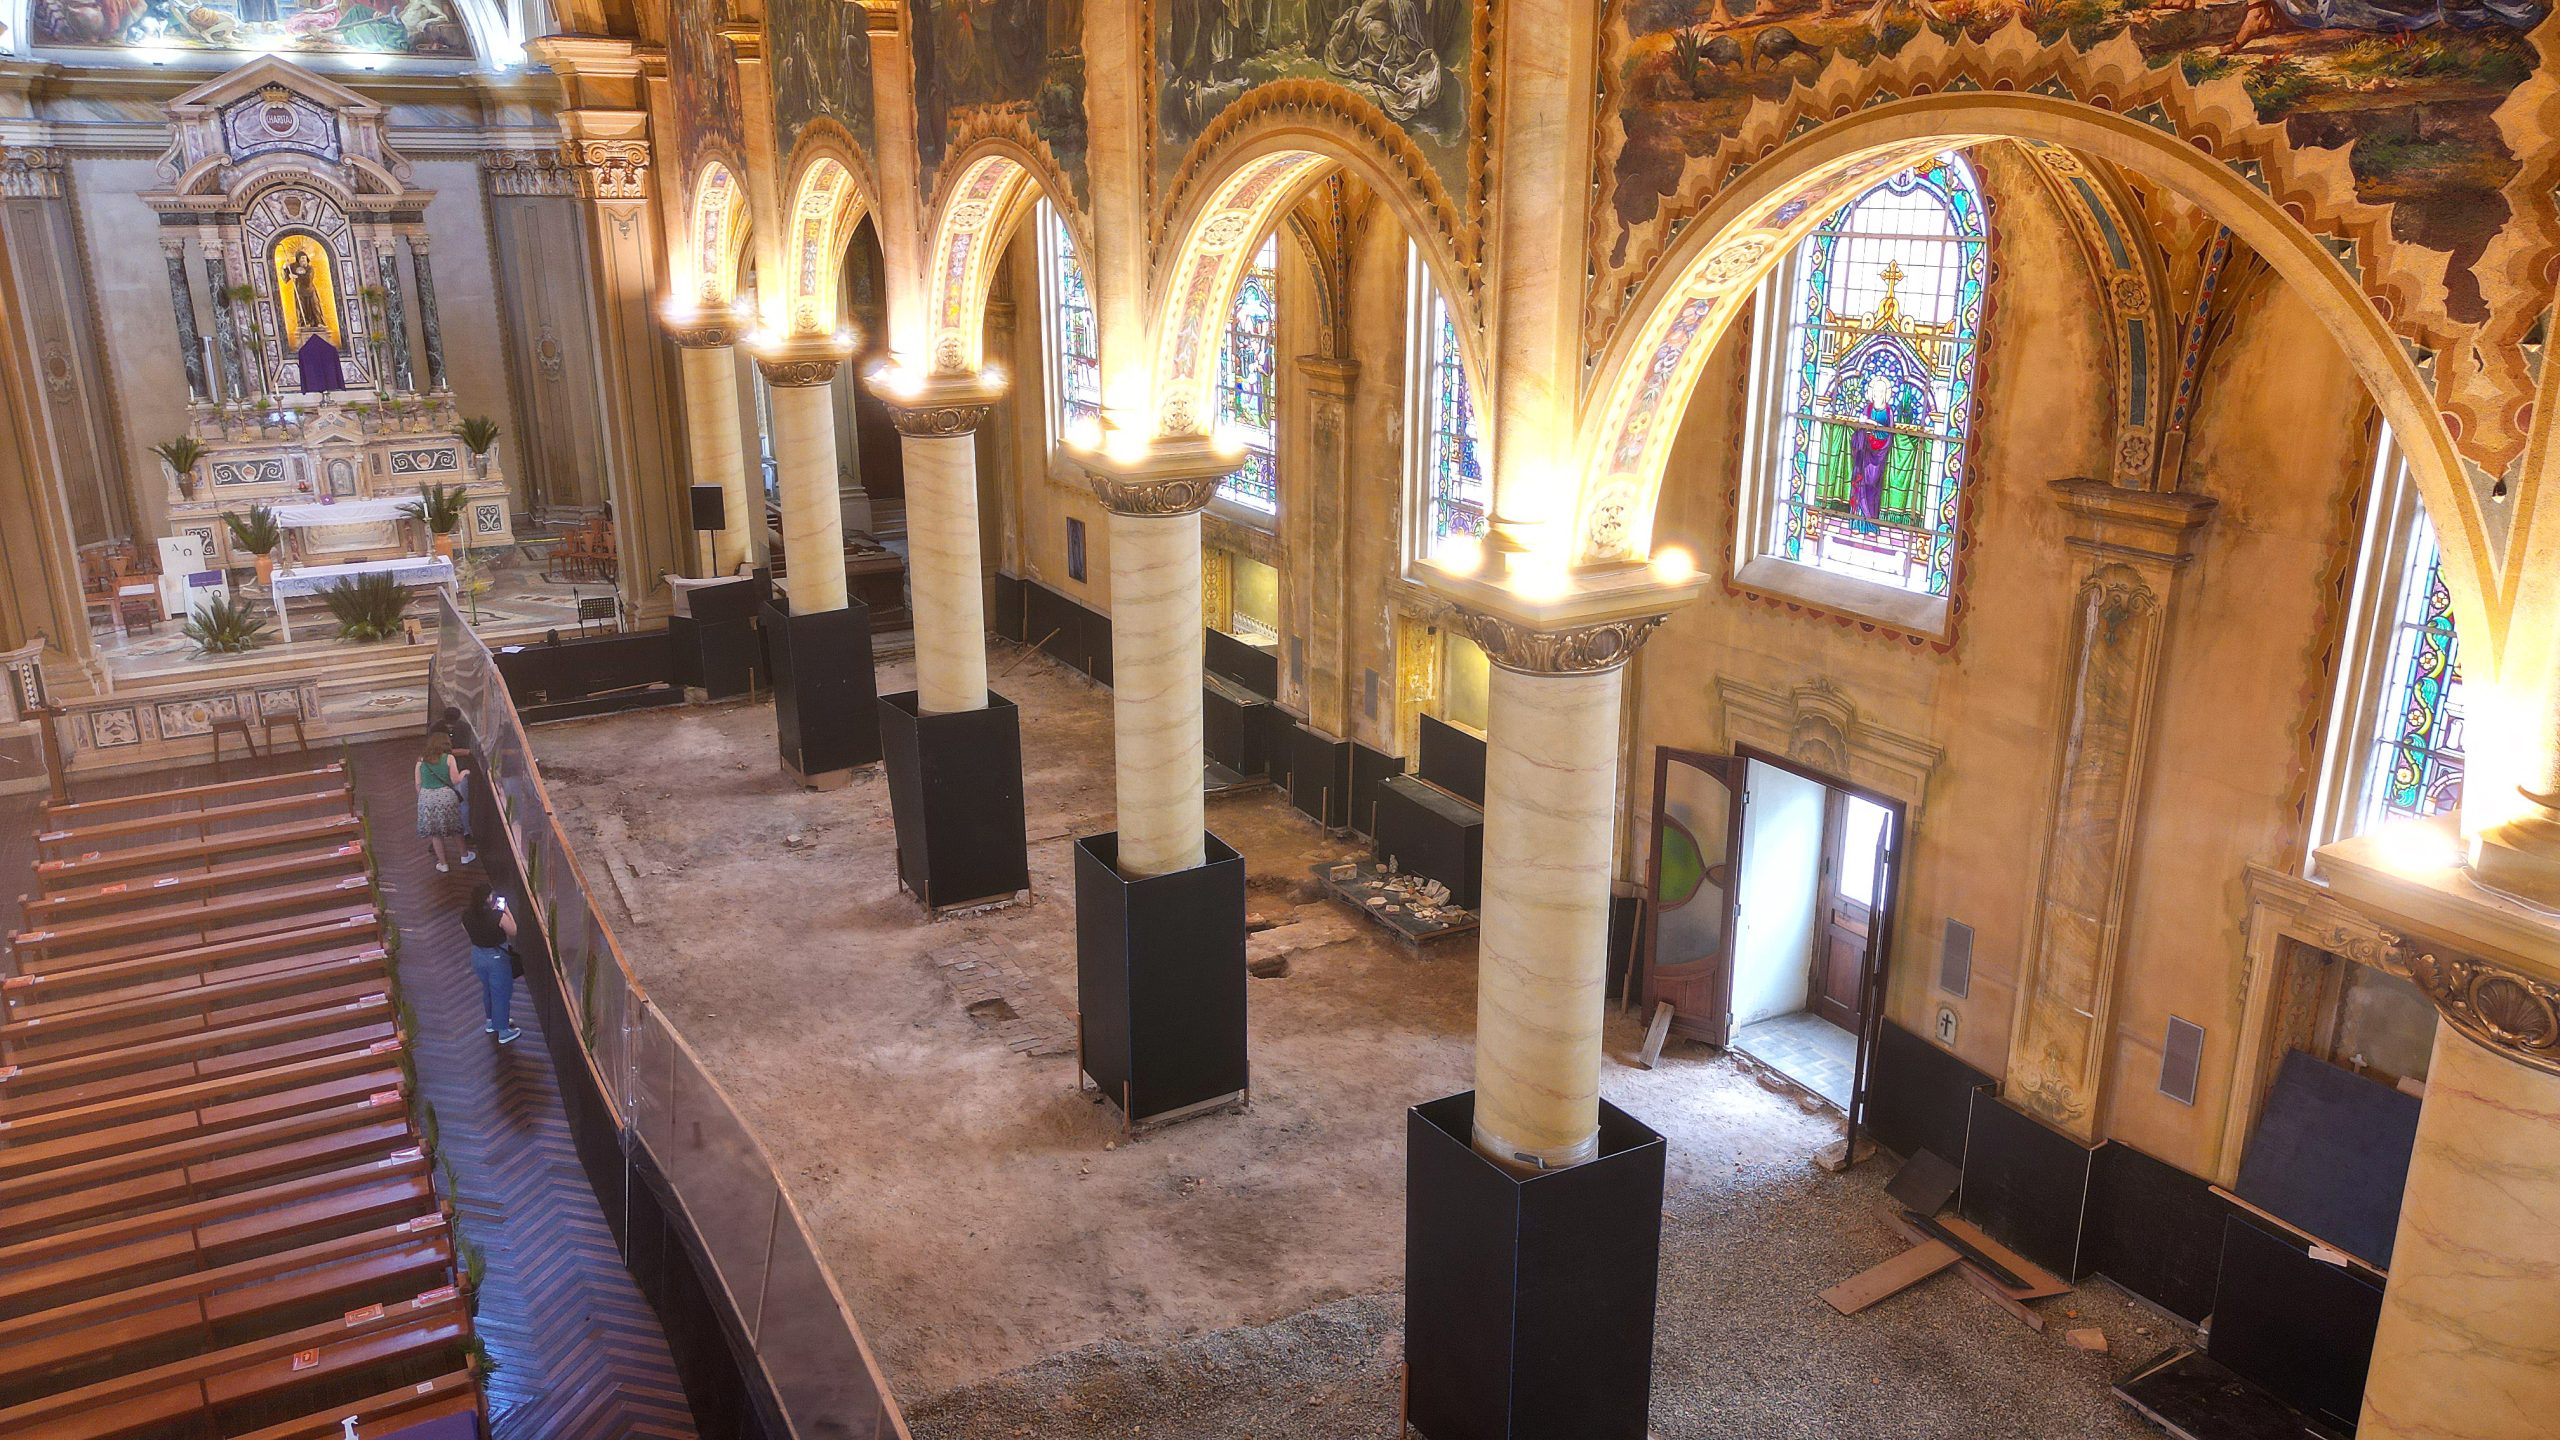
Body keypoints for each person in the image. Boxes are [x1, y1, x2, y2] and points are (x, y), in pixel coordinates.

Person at [462, 885, 521, 1045]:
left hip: (477, 956)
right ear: (487, 898)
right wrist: (506, 910)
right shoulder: (497, 916)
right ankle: (503, 1031)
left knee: (488, 989)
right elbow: (513, 930)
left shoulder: (466, 915)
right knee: (501, 993)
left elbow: (467, 930)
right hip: (496, 959)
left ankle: (491, 1021)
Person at [415, 732, 476, 873]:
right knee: (455, 828)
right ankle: (464, 856)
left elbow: (418, 784)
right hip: (446, 796)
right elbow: (455, 780)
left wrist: (423, 798)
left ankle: (443, 864)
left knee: (435, 833)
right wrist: (464, 773)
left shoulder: (421, 760)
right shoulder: (449, 758)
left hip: (427, 797)